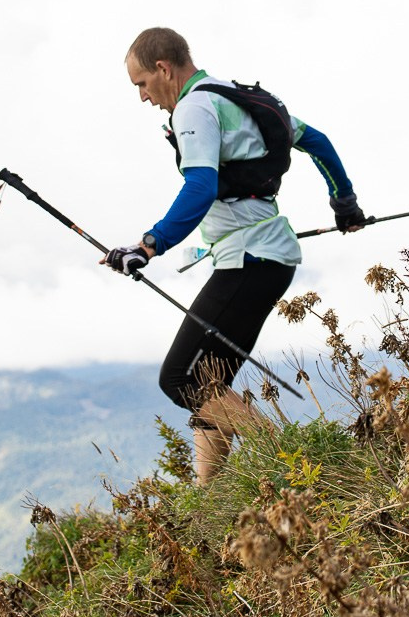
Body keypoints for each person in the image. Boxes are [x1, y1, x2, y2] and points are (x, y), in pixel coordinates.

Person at [101, 27, 364, 484]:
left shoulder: (195, 107)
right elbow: (315, 139)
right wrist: (344, 202)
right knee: (209, 385)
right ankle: (210, 502)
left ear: (163, 68)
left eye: (141, 83)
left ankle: (303, 471)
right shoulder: (228, 97)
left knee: (180, 380)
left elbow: (200, 185)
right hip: (260, 258)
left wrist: (149, 244)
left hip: (251, 259)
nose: (142, 97)